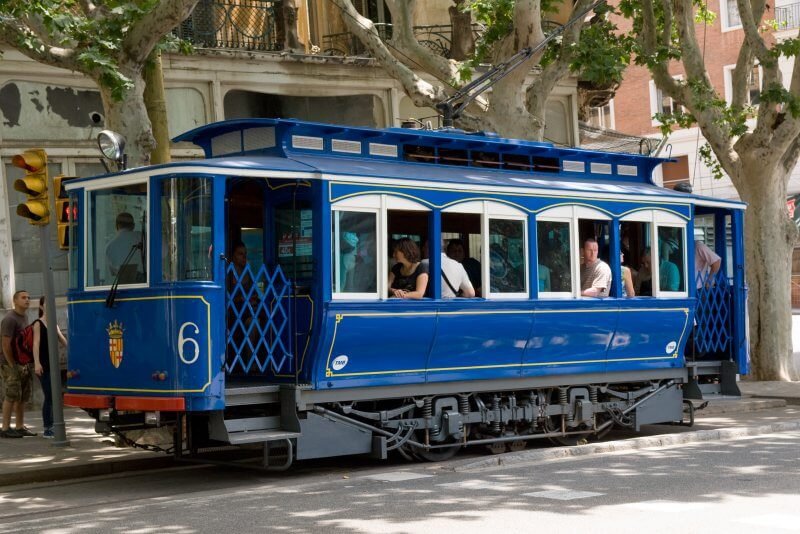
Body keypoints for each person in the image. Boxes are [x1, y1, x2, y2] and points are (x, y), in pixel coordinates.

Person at [32, 296, 68, 439]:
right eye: (47, 303)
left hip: (54, 366)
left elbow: (63, 340)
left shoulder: (54, 324)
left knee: (55, 396)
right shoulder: (38, 324)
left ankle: (53, 425)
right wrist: (36, 363)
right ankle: (48, 428)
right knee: (50, 396)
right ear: (41, 307)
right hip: (42, 366)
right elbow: (35, 344)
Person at [0, 290, 34, 438]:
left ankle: (19, 426)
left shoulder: (24, 317)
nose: (27, 300)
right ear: (15, 301)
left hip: (23, 363)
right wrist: (12, 365)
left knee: (22, 396)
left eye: (28, 297)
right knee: (11, 395)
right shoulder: (9, 319)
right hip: (10, 364)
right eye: (23, 297)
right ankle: (5, 428)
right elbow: (5, 344)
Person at [105, 212, 143, 282]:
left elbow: (114, 272)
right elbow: (164, 251)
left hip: (123, 288)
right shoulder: (143, 238)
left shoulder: (109, 246)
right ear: (133, 226)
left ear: (116, 226)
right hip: (145, 286)